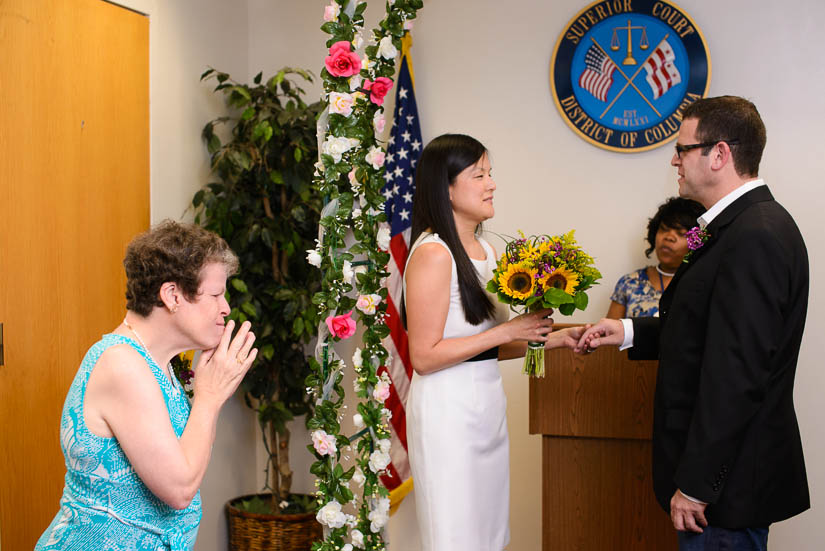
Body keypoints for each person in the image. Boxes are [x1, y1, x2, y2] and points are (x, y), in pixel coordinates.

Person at [578, 96, 809, 551]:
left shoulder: (755, 235)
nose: (674, 160)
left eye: (683, 149)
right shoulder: (728, 226)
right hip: (723, 481)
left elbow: (738, 374)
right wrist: (624, 332)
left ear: (719, 154)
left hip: (725, 490)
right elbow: (704, 331)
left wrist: (699, 483)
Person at [403, 134, 584, 550]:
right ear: (446, 188)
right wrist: (505, 331)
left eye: (491, 173)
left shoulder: (486, 248)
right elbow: (424, 357)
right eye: (479, 175)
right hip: (447, 414)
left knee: (488, 537)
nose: (491, 184)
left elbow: (485, 346)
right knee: (456, 538)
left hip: (485, 407)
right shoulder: (434, 253)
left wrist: (553, 340)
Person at [36, 220, 257, 551]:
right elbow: (180, 489)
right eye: (215, 294)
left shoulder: (159, 365)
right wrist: (208, 398)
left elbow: (187, 462)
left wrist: (210, 394)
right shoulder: (121, 363)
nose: (226, 308)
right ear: (171, 296)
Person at [606, 197, 704, 318]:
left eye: (681, 233)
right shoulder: (630, 283)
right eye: (664, 229)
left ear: (697, 242)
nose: (669, 237)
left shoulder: (702, 285)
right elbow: (608, 333)